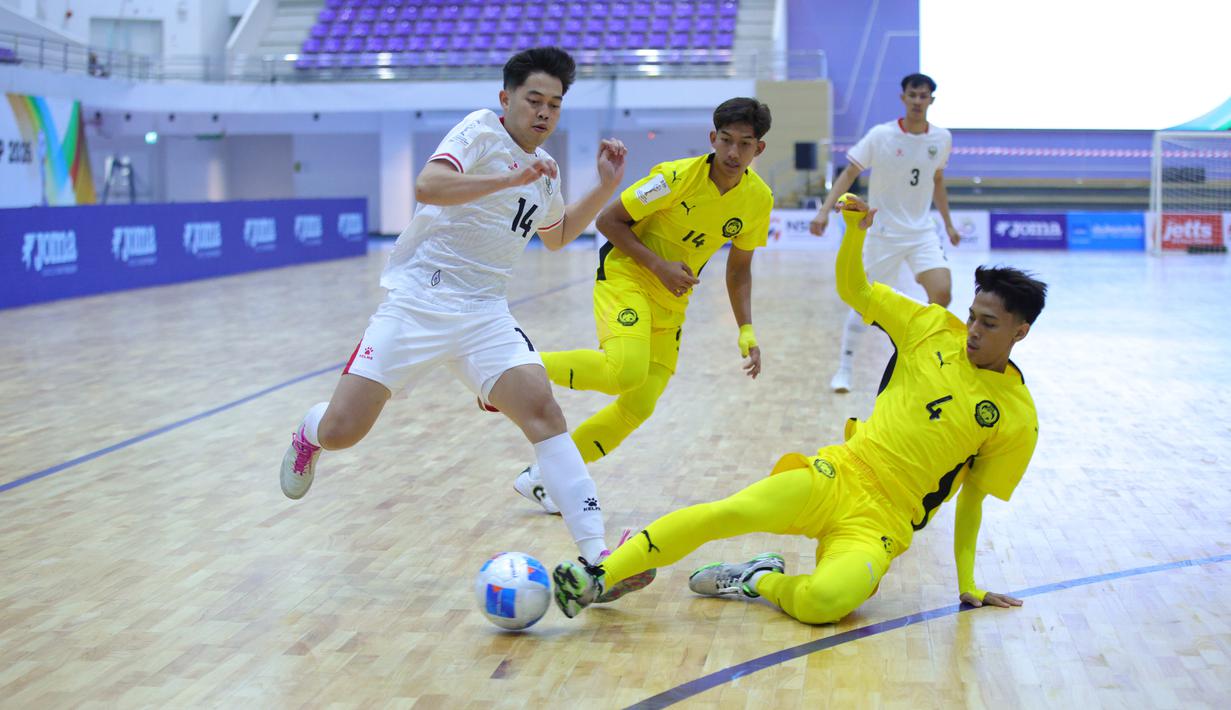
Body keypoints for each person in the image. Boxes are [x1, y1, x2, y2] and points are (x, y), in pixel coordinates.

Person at [552, 194, 1046, 625]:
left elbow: (973, 498)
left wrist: (969, 582)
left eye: (989, 324)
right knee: (726, 513)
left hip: (883, 523)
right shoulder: (933, 328)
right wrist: (853, 235)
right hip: (840, 472)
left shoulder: (1016, 415)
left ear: (1020, 332)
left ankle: (757, 580)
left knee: (824, 603)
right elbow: (857, 291)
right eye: (971, 316)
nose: (973, 331)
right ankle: (598, 576)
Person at [278, 47, 651, 599]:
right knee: (343, 431)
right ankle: (311, 431)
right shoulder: (479, 131)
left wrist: (602, 184)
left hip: (485, 314)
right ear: (506, 99)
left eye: (554, 104)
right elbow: (428, 186)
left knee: (544, 411)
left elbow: (555, 236)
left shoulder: (542, 173)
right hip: (416, 306)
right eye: (534, 100)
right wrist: (509, 178)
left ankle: (597, 556)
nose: (544, 113)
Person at [510, 98, 775, 514]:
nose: (732, 153)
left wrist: (747, 330)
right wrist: (658, 265)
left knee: (640, 404)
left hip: (671, 299)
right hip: (627, 274)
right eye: (725, 140)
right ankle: (509, 368)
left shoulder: (758, 200)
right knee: (624, 371)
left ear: (758, 149)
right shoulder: (673, 177)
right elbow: (608, 221)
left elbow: (739, 270)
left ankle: (545, 480)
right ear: (713, 138)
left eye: (744, 144)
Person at [809, 73, 961, 393]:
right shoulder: (881, 135)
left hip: (921, 232)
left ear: (931, 100)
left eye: (924, 96)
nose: (918, 101)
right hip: (883, 234)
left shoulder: (942, 138)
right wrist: (824, 211)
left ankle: (924, 360)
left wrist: (947, 223)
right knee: (864, 304)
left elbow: (937, 181)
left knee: (942, 293)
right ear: (902, 97)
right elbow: (850, 171)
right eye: (913, 95)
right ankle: (845, 367)